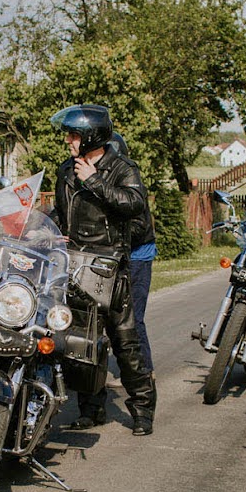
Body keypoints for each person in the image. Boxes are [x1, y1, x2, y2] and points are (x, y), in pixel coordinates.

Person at [51, 104, 157, 435]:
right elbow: (61, 210)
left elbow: (133, 204)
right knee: (81, 342)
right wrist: (48, 228)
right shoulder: (66, 170)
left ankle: (142, 411)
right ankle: (90, 409)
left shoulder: (122, 168)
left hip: (111, 267)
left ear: (91, 136)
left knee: (125, 343)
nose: (68, 140)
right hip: (76, 264)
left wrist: (95, 181)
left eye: (73, 135)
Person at [104, 132, 155, 373]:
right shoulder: (102, 186)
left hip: (137, 258)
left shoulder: (131, 185)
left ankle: (144, 372)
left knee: (133, 318)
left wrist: (110, 238)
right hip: (110, 259)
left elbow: (138, 227)